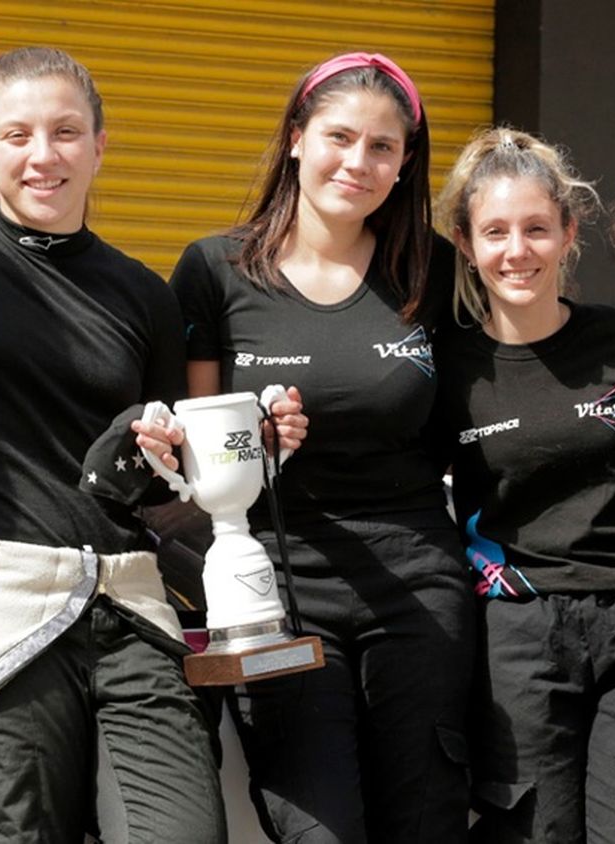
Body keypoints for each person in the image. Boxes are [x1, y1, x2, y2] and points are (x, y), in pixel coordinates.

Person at [0, 47, 225, 843]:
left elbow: (166, 489)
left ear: (101, 144)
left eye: (67, 132)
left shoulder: (142, 291)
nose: (44, 156)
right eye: (18, 135)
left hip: (129, 604)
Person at [144, 51, 474, 842]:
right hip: (274, 589)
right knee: (315, 828)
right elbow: (196, 448)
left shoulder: (436, 272)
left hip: (417, 590)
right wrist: (239, 445)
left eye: (383, 147)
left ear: (404, 165)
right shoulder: (215, 270)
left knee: (423, 824)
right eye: (338, 137)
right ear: (296, 138)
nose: (358, 162)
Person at [430, 127, 615, 843]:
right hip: (516, 634)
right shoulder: (448, 367)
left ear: (568, 232)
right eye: (495, 232)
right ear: (465, 241)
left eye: (537, 229)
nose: (517, 251)